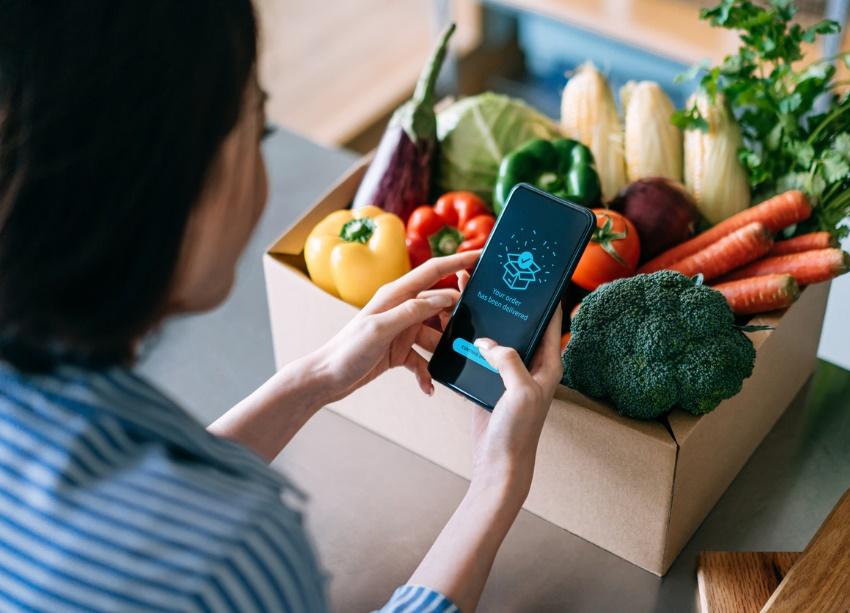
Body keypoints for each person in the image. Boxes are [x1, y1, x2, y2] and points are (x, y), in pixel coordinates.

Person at [0, 2, 563, 611]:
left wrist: (314, 378)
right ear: (172, 182)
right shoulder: (230, 561)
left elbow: (116, 506)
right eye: (259, 129)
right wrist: (496, 482)